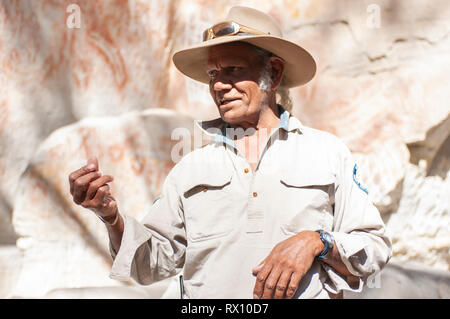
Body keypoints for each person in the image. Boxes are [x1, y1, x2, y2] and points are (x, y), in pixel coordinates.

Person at [68, 6, 391, 299]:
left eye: (233, 70)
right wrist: (111, 216)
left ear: (274, 74)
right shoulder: (191, 166)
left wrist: (317, 241)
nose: (219, 85)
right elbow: (150, 266)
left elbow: (374, 248)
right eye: (213, 74)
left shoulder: (327, 152)